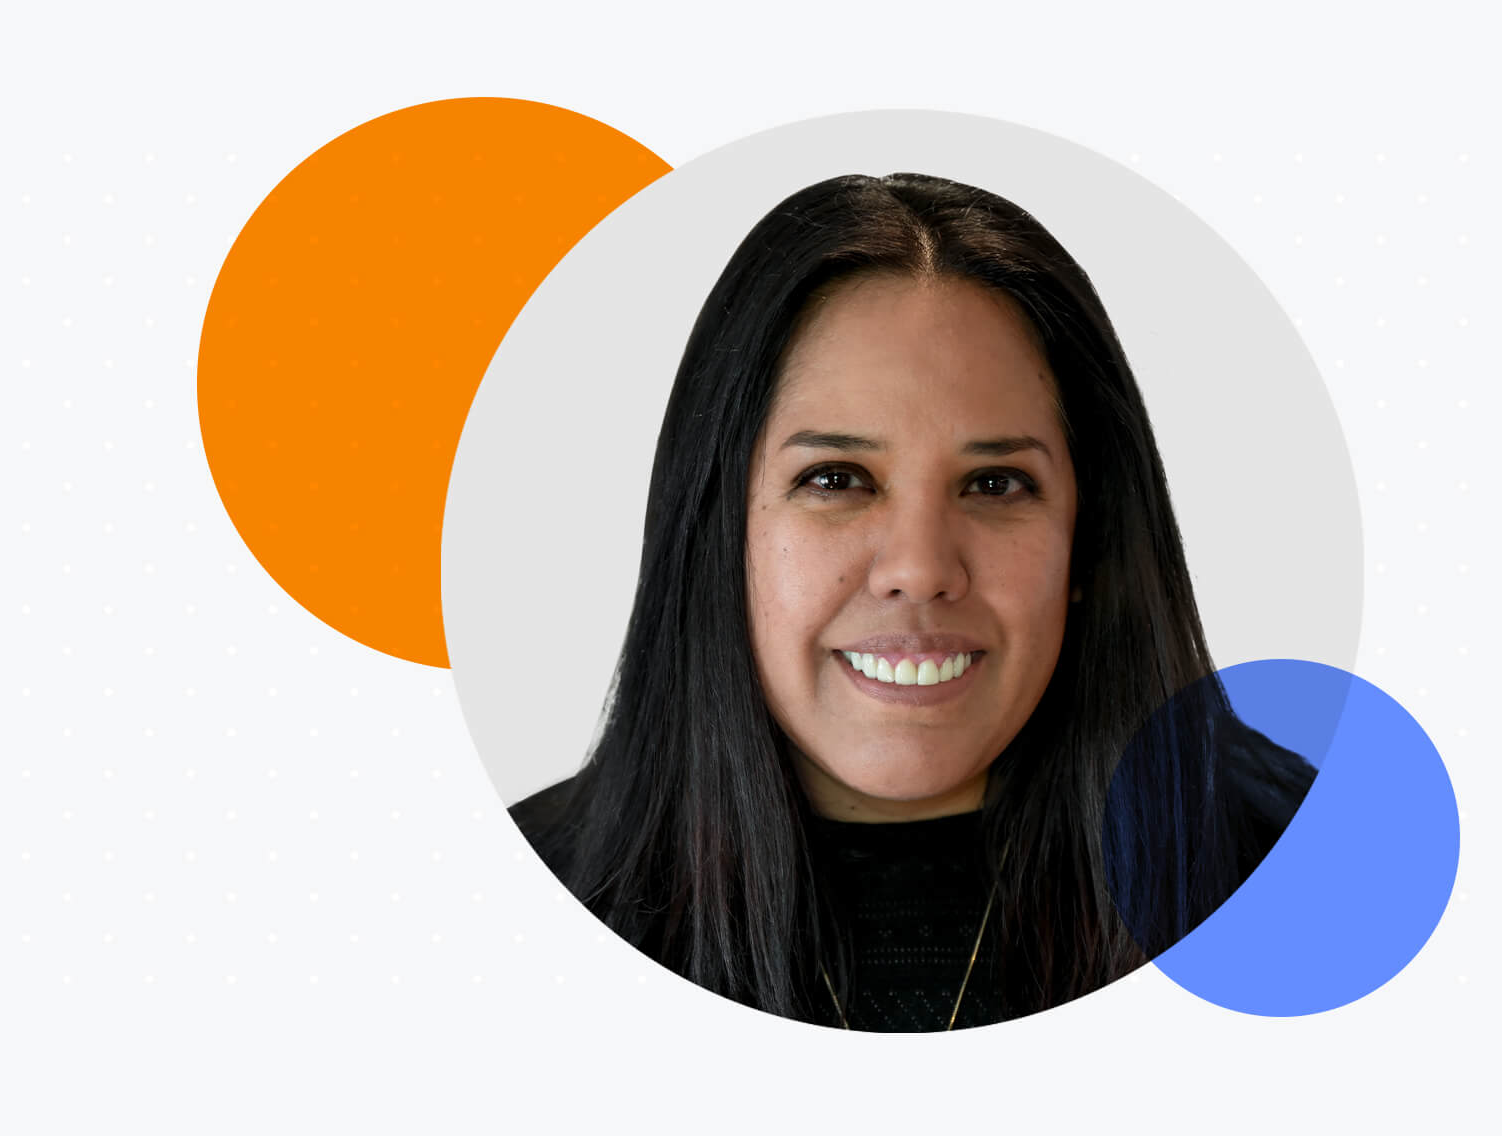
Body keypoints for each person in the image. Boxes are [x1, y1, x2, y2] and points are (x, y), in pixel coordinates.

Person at [510, 172, 1317, 1031]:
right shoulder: (510, 910)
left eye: (995, 483)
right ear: (717, 532)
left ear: (1092, 535)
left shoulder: (1317, 874)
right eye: (836, 479)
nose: (920, 569)